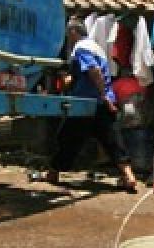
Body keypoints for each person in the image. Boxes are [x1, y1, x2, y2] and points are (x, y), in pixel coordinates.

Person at [45, 20, 139, 192]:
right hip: (101, 103)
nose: (67, 37)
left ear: (73, 32)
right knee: (112, 141)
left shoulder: (81, 47)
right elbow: (83, 76)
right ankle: (129, 177)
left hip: (87, 104)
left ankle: (53, 172)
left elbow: (94, 71)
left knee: (68, 138)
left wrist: (103, 96)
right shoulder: (96, 47)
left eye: (68, 33)